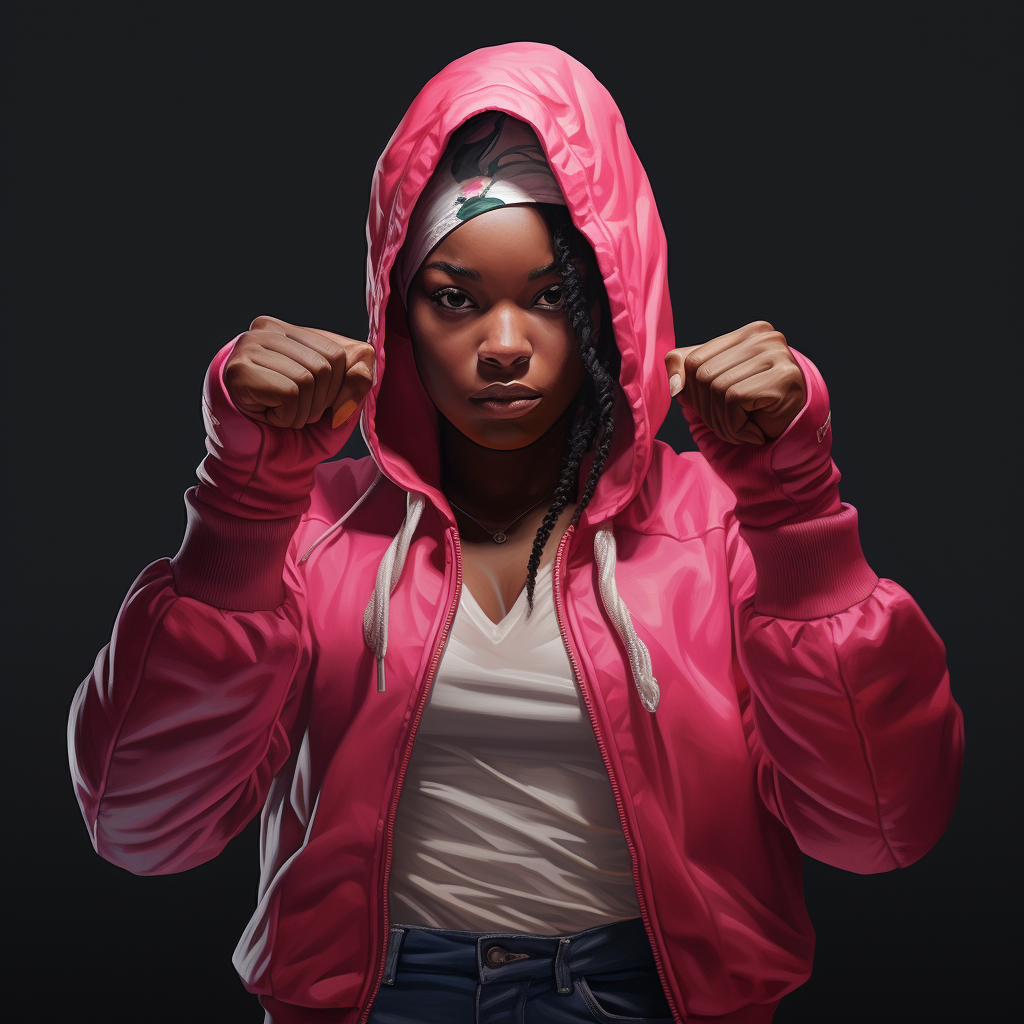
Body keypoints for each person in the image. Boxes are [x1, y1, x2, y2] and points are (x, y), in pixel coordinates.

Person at [67, 42, 964, 1024]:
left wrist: (794, 510)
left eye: (550, 295)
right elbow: (139, 828)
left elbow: (880, 831)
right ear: (397, 313)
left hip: (652, 998)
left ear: (612, 308)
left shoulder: (721, 525)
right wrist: (241, 506)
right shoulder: (312, 526)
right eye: (456, 296)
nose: (503, 346)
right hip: (378, 1001)